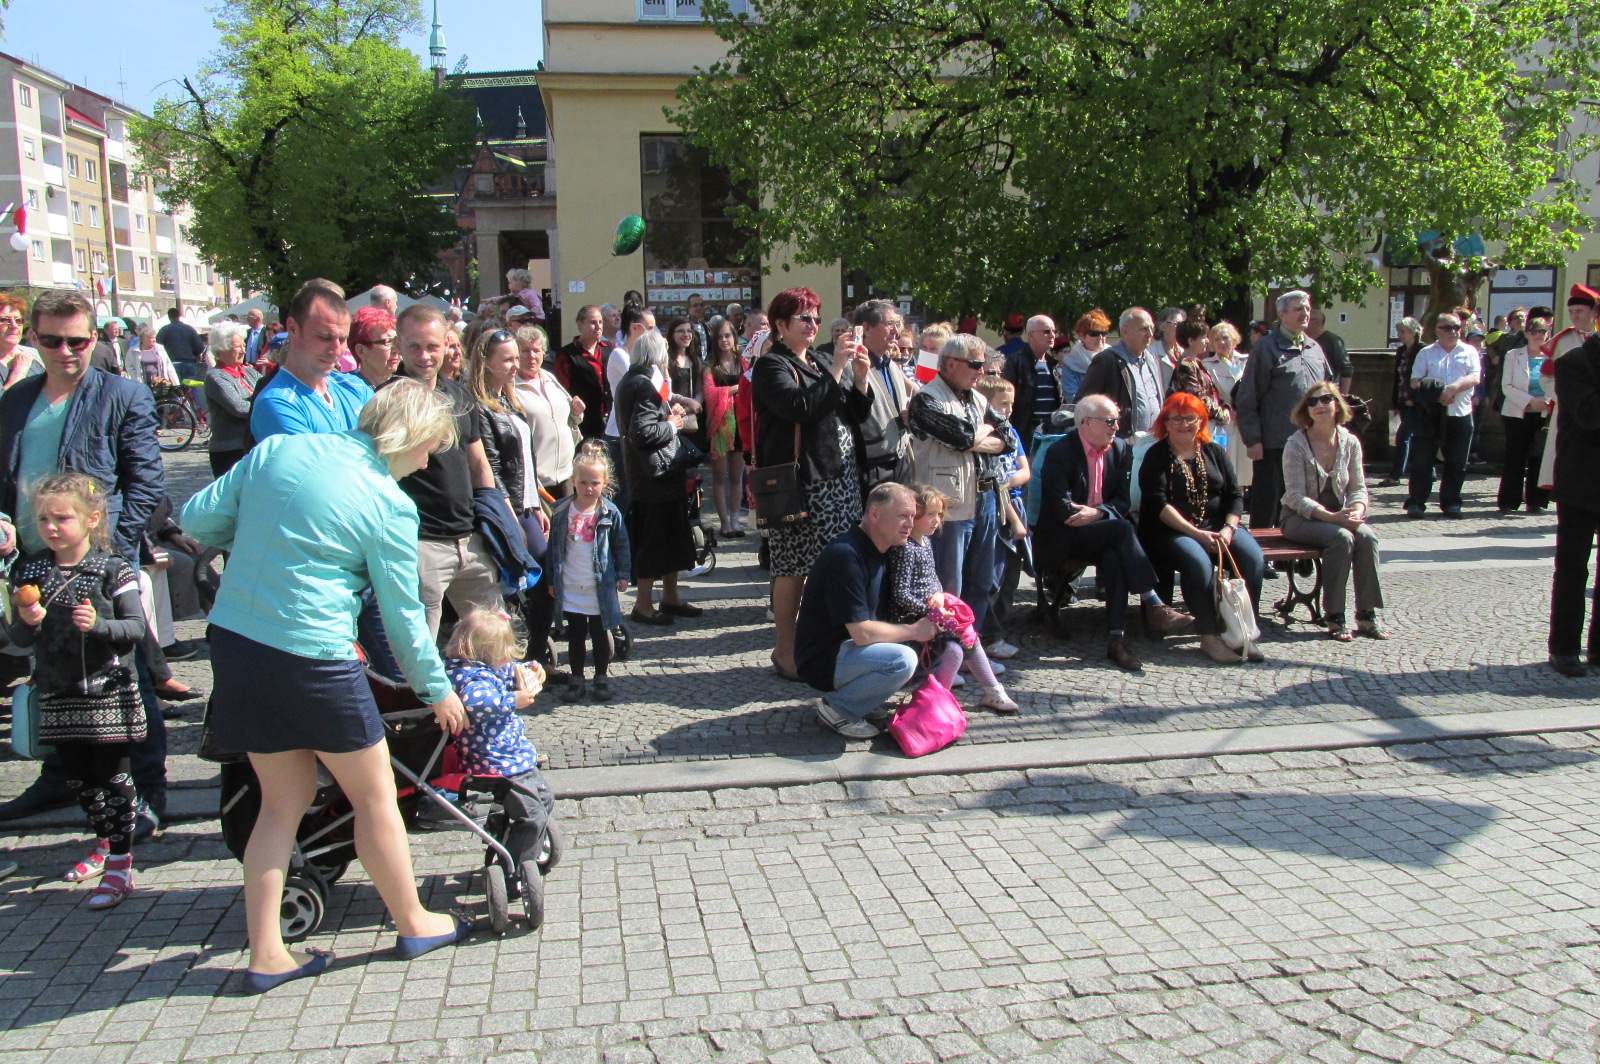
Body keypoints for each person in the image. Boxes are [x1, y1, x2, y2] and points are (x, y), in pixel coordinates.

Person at [180, 379, 473, 991]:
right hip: (315, 657)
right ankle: (414, 920)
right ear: (410, 437)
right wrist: (435, 690)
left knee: (279, 806)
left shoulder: (277, 452)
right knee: (375, 797)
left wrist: (266, 536)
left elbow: (197, 518)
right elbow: (403, 618)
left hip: (237, 645)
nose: (427, 462)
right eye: (429, 450)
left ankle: (267, 954)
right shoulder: (389, 504)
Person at [0, 290, 166, 832]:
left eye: (78, 340)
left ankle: (146, 794)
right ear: (34, 339)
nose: (66, 351)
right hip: (32, 561)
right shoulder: (17, 399)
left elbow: (145, 482)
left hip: (99, 562)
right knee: (51, 673)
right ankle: (61, 777)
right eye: (52, 340)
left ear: (94, 338)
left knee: (125, 675)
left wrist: (109, 552)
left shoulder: (121, 395)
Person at [8, 474, 148, 908]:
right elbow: (17, 640)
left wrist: (101, 626)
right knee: (79, 780)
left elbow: (137, 628)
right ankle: (105, 843)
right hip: (57, 692)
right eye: (44, 519)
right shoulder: (31, 570)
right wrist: (26, 623)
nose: (51, 527)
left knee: (113, 778)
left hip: (107, 693)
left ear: (91, 519)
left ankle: (121, 863)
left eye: (62, 518)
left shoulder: (112, 568)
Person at [753, 287, 872, 678]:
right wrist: (837, 369)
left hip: (838, 479)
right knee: (792, 568)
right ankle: (785, 650)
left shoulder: (820, 360)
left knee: (837, 564)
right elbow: (800, 409)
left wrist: (860, 378)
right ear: (781, 325)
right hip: (802, 482)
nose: (813, 325)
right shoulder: (772, 366)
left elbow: (854, 413)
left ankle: (828, 643)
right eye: (805, 318)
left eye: (817, 318)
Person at [1035, 394, 1193, 671]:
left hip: (1102, 532)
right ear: (1086, 423)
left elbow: (1122, 502)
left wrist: (1098, 513)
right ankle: (1152, 601)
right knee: (1121, 529)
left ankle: (1116, 641)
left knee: (1114, 554)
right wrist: (1102, 515)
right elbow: (1062, 509)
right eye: (1109, 421)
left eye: (1117, 421)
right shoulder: (1061, 452)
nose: (1116, 427)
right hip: (1062, 537)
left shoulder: (1120, 450)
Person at [390, 304, 509, 640]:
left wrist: (495, 519)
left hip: (468, 537)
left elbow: (478, 462)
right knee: (419, 645)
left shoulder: (458, 394)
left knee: (493, 637)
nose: (424, 355)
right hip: (420, 540)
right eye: (414, 346)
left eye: (432, 346)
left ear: (446, 345)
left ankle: (495, 694)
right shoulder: (389, 397)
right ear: (399, 346)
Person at [905, 333, 1012, 683]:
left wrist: (974, 437)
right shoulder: (926, 400)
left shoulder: (979, 399)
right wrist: (977, 436)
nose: (981, 372)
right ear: (950, 364)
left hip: (985, 499)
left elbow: (1008, 438)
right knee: (948, 584)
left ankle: (969, 651)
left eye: (983, 364)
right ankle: (940, 656)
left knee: (982, 582)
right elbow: (961, 437)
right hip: (949, 504)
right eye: (975, 364)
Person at [795, 481, 936, 738]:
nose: (910, 524)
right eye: (903, 516)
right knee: (902, 659)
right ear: (874, 514)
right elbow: (862, 633)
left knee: (908, 646)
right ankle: (839, 709)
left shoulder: (883, 549)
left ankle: (863, 700)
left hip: (849, 650)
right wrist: (914, 630)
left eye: (913, 517)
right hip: (823, 660)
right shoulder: (846, 556)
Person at [1138, 392, 1265, 664]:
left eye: (1190, 418)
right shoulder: (1156, 456)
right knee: (1198, 564)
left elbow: (1235, 495)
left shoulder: (1214, 452)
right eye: (1176, 418)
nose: (1183, 424)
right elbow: (1158, 504)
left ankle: (1243, 632)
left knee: (1253, 559)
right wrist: (1196, 534)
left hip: (1219, 526)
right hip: (1171, 530)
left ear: (1201, 421)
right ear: (1166, 422)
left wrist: (1229, 529)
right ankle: (1209, 636)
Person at [887, 485, 1017, 712]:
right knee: (961, 642)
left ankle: (990, 690)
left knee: (967, 634)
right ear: (914, 515)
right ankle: (939, 698)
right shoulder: (906, 549)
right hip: (916, 617)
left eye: (939, 514)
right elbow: (900, 593)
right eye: (930, 514)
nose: (936, 520)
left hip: (934, 610)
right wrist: (931, 611)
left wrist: (939, 596)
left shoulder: (925, 542)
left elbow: (931, 577)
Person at [443, 610, 554, 874]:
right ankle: (515, 867)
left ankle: (511, 834)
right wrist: (512, 700)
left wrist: (531, 670)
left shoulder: (486, 668)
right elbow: (478, 702)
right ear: (486, 652)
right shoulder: (470, 676)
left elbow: (508, 672)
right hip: (494, 759)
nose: (506, 658)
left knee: (545, 798)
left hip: (510, 754)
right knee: (533, 815)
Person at [1280, 383, 1386, 641]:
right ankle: (1335, 615)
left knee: (1368, 537)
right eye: (1312, 402)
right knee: (1341, 537)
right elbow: (1294, 496)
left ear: (1337, 403)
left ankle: (1366, 614)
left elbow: (1358, 487)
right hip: (1299, 518)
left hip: (1339, 516)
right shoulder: (1295, 444)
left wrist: (1358, 510)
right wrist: (1331, 518)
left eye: (1326, 399)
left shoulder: (1350, 442)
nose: (1319, 405)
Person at [615, 330, 702, 623]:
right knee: (653, 541)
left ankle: (670, 597)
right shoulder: (642, 384)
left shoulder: (637, 379)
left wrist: (668, 413)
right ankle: (643, 604)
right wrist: (673, 424)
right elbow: (643, 432)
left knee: (672, 537)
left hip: (657, 475)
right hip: (654, 477)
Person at [1235, 290, 1334, 528]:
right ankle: (1261, 558)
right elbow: (1248, 397)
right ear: (1282, 314)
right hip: (1274, 442)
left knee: (1306, 501)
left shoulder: (1314, 348)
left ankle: (1297, 558)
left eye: (1308, 308)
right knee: (1268, 502)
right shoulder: (1267, 348)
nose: (1305, 313)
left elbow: (1330, 390)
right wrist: (1253, 439)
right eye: (1299, 309)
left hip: (1310, 440)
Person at [544, 445, 631, 702]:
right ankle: (577, 677)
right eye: (583, 482)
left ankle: (601, 676)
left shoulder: (609, 512)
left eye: (594, 482)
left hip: (599, 585)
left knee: (600, 632)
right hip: (571, 583)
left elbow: (621, 544)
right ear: (573, 482)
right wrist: (551, 579)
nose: (588, 488)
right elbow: (553, 549)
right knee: (575, 635)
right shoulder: (561, 511)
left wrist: (623, 573)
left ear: (604, 483)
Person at [250, 280, 373, 441]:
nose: (336, 350)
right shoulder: (276, 403)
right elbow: (320, 466)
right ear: (293, 329)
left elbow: (395, 448)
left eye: (343, 339)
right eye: (324, 337)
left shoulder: (354, 386)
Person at [1549, 331, 1600, 676]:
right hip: (1581, 482)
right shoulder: (1573, 363)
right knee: (1572, 567)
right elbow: (1590, 415)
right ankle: (1564, 647)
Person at [972, 375, 1028, 660]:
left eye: (1011, 404)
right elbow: (994, 482)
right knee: (990, 577)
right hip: (997, 509)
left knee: (1010, 575)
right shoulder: (988, 437)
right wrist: (1004, 487)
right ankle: (987, 635)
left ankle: (998, 629)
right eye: (1003, 404)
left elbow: (1024, 471)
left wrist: (1006, 483)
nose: (1008, 410)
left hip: (1014, 505)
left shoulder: (1011, 432)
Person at [1404, 311, 1480, 518]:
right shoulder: (1426, 353)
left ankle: (1451, 501)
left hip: (1460, 412)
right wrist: (1438, 393)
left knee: (1457, 461)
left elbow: (1474, 377)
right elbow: (1414, 381)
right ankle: (1417, 502)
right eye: (1447, 328)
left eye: (1456, 327)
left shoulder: (1470, 351)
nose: (1453, 331)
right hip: (1430, 414)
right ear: (1437, 330)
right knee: (1422, 460)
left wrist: (1454, 387)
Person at [1537, 284, 1599, 494]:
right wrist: (1566, 396)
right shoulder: (1563, 340)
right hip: (1568, 409)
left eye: (1580, 311)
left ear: (1593, 313)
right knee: (1567, 456)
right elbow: (1546, 378)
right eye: (1571, 312)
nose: (1575, 316)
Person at [847, 299, 913, 491]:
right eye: (890, 324)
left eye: (897, 325)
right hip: (872, 468)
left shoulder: (892, 366)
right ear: (866, 328)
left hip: (901, 463)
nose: (896, 332)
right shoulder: (850, 367)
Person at [512, 324, 580, 500]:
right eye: (525, 351)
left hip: (566, 475)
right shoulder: (511, 387)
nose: (532, 356)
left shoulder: (549, 378)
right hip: (537, 482)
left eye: (536, 350)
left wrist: (577, 412)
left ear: (543, 353)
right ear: (516, 354)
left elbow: (570, 418)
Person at [1076, 307, 1164, 438]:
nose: (1150, 333)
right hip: (1121, 444)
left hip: (1152, 442)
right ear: (1125, 331)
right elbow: (1083, 404)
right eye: (1144, 329)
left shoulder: (1151, 360)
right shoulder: (1107, 360)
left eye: (1152, 328)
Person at [1498, 314, 1553, 514]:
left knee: (1539, 458)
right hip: (1516, 413)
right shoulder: (1513, 355)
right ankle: (1509, 501)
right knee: (1515, 457)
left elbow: (1557, 384)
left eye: (1542, 331)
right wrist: (1529, 401)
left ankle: (1536, 500)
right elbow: (1507, 386)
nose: (1538, 335)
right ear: (1526, 333)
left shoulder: (1553, 356)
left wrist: (1545, 402)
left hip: (1544, 413)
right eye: (1534, 331)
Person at [704, 318, 748, 537]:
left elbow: (752, 388)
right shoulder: (711, 366)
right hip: (720, 428)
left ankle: (735, 519)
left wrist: (737, 389)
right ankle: (724, 523)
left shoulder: (744, 363)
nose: (724, 340)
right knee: (720, 477)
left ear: (734, 337)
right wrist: (733, 389)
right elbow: (710, 395)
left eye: (727, 335)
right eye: (720, 336)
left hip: (740, 425)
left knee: (737, 476)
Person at [202, 321, 261, 478]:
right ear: (221, 350)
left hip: (252, 446)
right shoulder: (215, 376)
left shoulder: (249, 372)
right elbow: (239, 407)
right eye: (238, 347)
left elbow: (267, 391)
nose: (243, 350)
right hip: (229, 451)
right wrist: (265, 407)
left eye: (243, 345)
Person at [1203, 321, 1252, 487]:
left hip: (1244, 420)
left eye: (1225, 338)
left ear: (1234, 339)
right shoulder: (1206, 365)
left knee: (1243, 468)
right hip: (1221, 421)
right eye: (1216, 339)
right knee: (1222, 466)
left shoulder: (1248, 362)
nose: (1221, 343)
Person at [552, 304, 611, 441]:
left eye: (600, 322)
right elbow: (562, 391)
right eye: (592, 322)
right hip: (583, 423)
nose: (598, 326)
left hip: (608, 422)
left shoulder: (609, 349)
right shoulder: (567, 355)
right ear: (580, 324)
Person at [1381, 318, 1425, 487]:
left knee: (1402, 437)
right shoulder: (1401, 351)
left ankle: (1396, 474)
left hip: (1415, 401)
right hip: (1401, 399)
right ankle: (1429, 471)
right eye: (1398, 331)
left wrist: (1413, 398)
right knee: (1409, 437)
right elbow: (1398, 377)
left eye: (1403, 332)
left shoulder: (1422, 350)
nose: (1399, 335)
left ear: (1413, 332)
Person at [1000, 315, 1050, 455]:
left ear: (1006, 332)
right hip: (1025, 432)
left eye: (1054, 331)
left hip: (1048, 432)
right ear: (1028, 334)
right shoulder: (1015, 359)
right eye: (1047, 331)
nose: (1052, 335)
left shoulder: (1052, 364)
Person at [665, 315, 709, 455]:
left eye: (689, 331)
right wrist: (679, 409)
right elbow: (664, 391)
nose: (686, 334)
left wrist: (692, 407)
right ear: (672, 334)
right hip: (671, 417)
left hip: (693, 419)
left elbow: (700, 390)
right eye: (681, 331)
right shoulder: (665, 360)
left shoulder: (695, 361)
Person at [1058, 310, 1110, 410]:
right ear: (1081, 335)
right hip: (1083, 416)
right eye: (1094, 333)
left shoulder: (1113, 357)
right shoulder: (1070, 362)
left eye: (1103, 333)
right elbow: (1072, 397)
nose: (1100, 337)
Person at [350, 305, 400, 392]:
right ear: (361, 351)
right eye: (388, 342)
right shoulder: (347, 389)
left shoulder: (405, 389)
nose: (396, 349)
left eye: (397, 341)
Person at [0, 292, 43, 390]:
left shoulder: (36, 355)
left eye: (18, 320)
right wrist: (17, 374)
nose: (14, 326)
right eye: (4, 320)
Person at [1308, 308, 1353, 393]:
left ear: (1315, 321)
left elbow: (1346, 370)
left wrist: (1342, 397)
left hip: (1325, 392)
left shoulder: (1333, 341)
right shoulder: (1300, 340)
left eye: (1307, 319)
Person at [154, 306, 204, 372]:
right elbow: (200, 347)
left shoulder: (164, 330)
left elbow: (157, 347)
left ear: (169, 317)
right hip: (189, 363)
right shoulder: (189, 329)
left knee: (176, 382)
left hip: (171, 364)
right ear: (179, 316)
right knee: (190, 381)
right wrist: (194, 354)